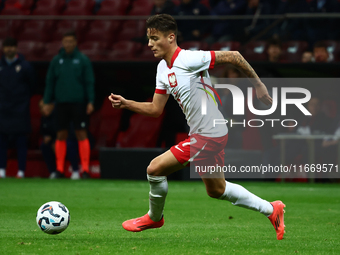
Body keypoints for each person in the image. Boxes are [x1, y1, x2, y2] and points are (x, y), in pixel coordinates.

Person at [109, 14, 286, 240]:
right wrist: (126, 103)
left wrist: (259, 86)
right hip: (203, 133)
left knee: (154, 169)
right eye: (148, 38)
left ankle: (154, 217)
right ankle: (272, 210)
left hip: (210, 134)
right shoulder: (162, 69)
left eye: (154, 38)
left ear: (171, 37)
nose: (149, 44)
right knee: (217, 190)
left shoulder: (190, 59)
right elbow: (155, 109)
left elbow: (234, 56)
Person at [42, 31, 95, 179]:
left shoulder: (83, 60)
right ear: (62, 42)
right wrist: (47, 101)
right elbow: (50, 83)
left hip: (79, 102)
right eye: (66, 41)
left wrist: (91, 101)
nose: (68, 44)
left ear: (76, 42)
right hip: (61, 103)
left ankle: (85, 169)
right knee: (61, 134)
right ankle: (60, 169)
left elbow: (89, 82)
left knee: (81, 133)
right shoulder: (56, 60)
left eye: (71, 41)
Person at [0, 37, 35, 178]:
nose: (9, 49)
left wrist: (23, 101)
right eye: (6, 47)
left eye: (11, 46)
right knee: (1, 141)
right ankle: (1, 170)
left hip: (20, 109)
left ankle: (21, 171)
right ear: (3, 49)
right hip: (2, 109)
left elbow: (33, 86)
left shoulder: (25, 66)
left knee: (21, 140)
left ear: (16, 48)